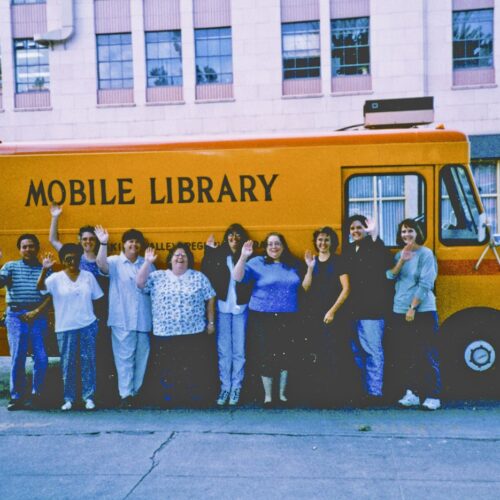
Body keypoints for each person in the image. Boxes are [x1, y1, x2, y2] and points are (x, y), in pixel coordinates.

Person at [49, 205, 117, 406]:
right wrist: (55, 217)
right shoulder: (73, 255)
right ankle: (74, 395)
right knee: (74, 357)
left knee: (98, 353)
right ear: (80, 240)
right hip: (77, 312)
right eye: (85, 238)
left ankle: (97, 393)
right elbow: (53, 240)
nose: (88, 242)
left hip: (99, 309)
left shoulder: (101, 258)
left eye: (91, 239)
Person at [137, 244, 216, 406]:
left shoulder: (199, 277)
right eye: (177, 255)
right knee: (168, 368)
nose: (180, 258)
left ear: (189, 259)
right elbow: (139, 284)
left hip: (193, 331)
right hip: (165, 332)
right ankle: (168, 399)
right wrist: (147, 262)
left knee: (192, 366)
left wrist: (211, 322)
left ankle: (193, 399)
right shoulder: (157, 276)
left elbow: (210, 298)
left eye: (184, 255)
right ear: (170, 259)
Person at [233, 233, 302, 406]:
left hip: (288, 316)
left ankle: (282, 394)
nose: (274, 247)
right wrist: (243, 256)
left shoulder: (293, 264)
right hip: (262, 316)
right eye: (270, 244)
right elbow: (237, 277)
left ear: (283, 246)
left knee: (286, 354)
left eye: (277, 243)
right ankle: (268, 396)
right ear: (266, 246)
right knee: (265, 355)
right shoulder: (256, 263)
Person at [37, 244, 103, 411]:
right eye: (68, 259)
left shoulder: (88, 276)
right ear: (62, 260)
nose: (72, 262)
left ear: (80, 258)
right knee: (67, 364)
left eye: (75, 258)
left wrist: (96, 321)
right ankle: (69, 398)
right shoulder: (55, 278)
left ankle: (89, 397)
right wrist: (45, 270)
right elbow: (40, 289)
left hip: (87, 325)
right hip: (65, 327)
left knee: (88, 361)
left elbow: (98, 298)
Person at [386, 219, 441, 411]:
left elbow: (427, 283)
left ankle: (433, 395)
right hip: (399, 309)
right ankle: (412, 394)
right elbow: (391, 276)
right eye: (403, 232)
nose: (406, 235)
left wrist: (412, 308)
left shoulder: (426, 254)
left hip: (422, 310)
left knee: (427, 352)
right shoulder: (399, 255)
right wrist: (402, 260)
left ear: (417, 232)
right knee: (406, 353)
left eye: (410, 231)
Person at [95, 226, 152, 408]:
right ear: (124, 244)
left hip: (143, 318)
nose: (134, 244)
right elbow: (101, 265)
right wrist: (103, 242)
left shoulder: (148, 263)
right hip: (122, 318)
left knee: (142, 356)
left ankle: (137, 392)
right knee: (124, 358)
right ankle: (125, 394)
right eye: (130, 241)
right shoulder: (114, 262)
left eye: (136, 241)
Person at [342, 215, 393, 404]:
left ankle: (374, 392)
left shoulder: (375, 247)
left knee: (373, 351)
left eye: (359, 228)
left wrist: (374, 235)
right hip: (353, 310)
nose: (355, 231)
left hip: (372, 309)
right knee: (357, 352)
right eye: (352, 228)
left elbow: (384, 259)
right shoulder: (349, 251)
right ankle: (363, 390)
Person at [201, 224, 253, 406]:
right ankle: (225, 387)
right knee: (224, 350)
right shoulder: (218, 255)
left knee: (239, 350)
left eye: (238, 236)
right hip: (222, 307)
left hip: (240, 307)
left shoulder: (248, 255)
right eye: (231, 235)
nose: (234, 239)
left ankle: (236, 387)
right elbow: (206, 273)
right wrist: (208, 251)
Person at [0, 236, 51, 410]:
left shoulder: (45, 268)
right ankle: (17, 397)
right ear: (19, 249)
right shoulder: (10, 267)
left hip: (38, 315)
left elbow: (49, 295)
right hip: (15, 315)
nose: (28, 249)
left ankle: (38, 394)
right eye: (24, 247)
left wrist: (36, 311)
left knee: (41, 357)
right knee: (17, 357)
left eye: (31, 246)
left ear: (37, 248)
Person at [301, 227, 350, 406]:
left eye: (326, 240)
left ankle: (334, 395)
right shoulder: (312, 262)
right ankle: (320, 395)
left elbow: (346, 289)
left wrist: (332, 311)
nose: (323, 243)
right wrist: (309, 268)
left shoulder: (338, 262)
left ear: (332, 242)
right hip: (315, 314)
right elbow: (305, 287)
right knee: (318, 353)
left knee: (334, 354)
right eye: (320, 240)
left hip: (334, 315)